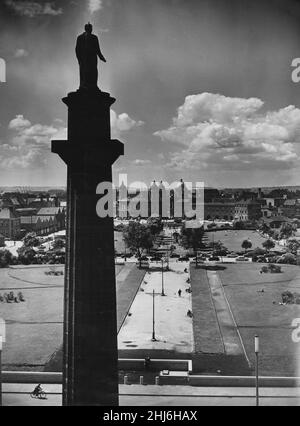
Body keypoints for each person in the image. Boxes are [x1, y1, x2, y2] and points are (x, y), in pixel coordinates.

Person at [76, 23, 106, 90]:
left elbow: (97, 49)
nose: (90, 30)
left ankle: (93, 85)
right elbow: (77, 49)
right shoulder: (80, 37)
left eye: (91, 28)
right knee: (84, 71)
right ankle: (83, 85)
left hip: (92, 58)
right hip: (84, 58)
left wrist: (101, 57)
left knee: (93, 72)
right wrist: (79, 59)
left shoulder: (94, 37)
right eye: (89, 28)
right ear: (86, 29)